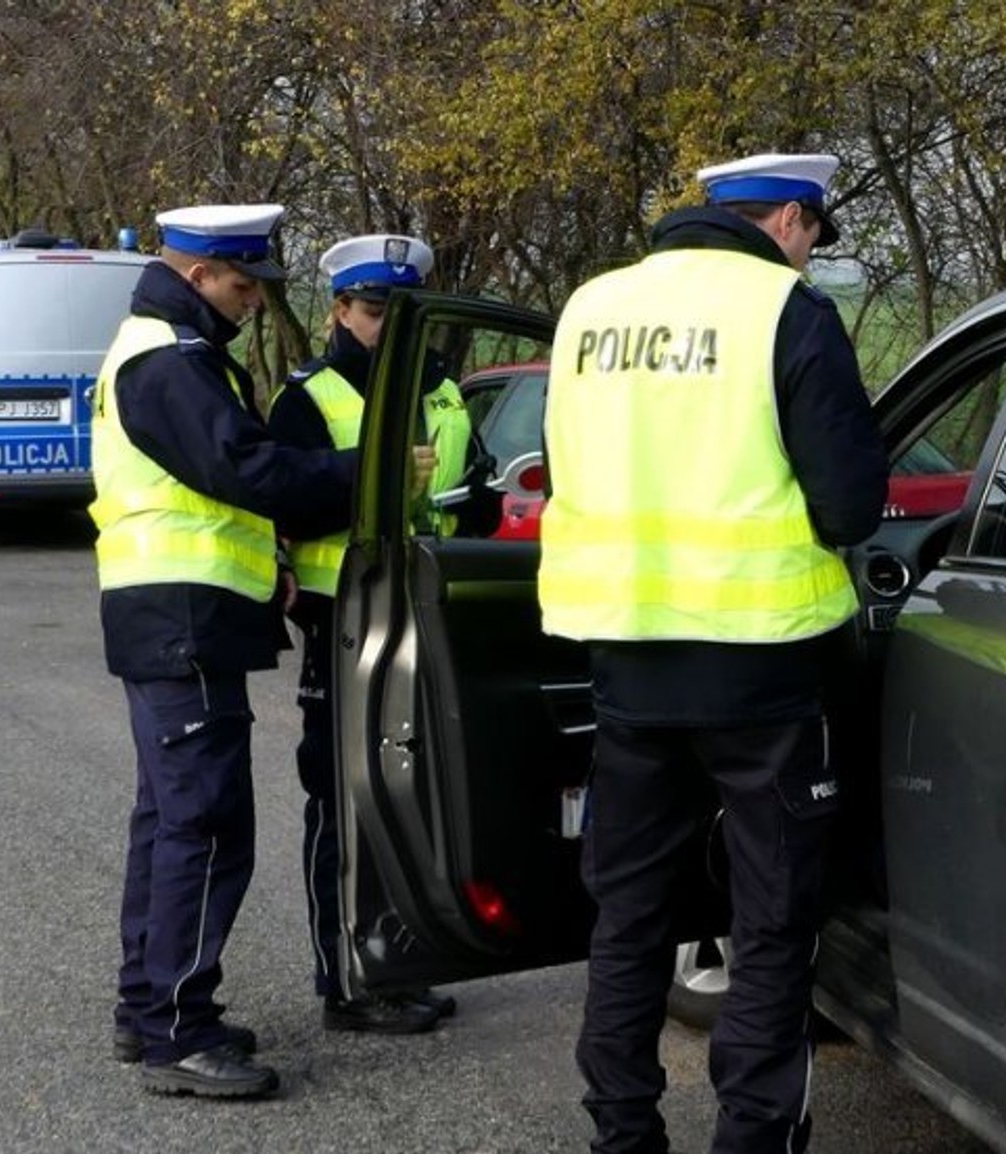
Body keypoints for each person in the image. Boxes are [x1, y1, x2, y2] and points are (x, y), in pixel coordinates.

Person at [538, 154, 887, 1153]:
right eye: (813, 236)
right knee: (772, 927)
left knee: (628, 919)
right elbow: (849, 504)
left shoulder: (591, 310)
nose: (809, 257)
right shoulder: (786, 312)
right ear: (786, 217)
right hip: (761, 667)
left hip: (627, 661)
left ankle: (620, 1136)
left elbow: (572, 468)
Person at [93, 203, 368, 1099]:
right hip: (182, 619)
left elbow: (222, 488)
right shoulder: (168, 360)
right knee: (205, 825)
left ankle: (151, 1010)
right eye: (243, 285)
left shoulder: (169, 349)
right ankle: (178, 1030)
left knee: (170, 820)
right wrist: (362, 474)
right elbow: (245, 467)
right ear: (197, 274)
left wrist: (273, 563)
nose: (252, 303)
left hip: (177, 616)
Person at [265, 232, 490, 1034]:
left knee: (416, 794)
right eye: (370, 310)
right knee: (340, 796)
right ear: (339, 311)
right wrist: (381, 474)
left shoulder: (446, 393)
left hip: (430, 611)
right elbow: (283, 505)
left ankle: (404, 957)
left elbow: (480, 499)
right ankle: (347, 979)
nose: (383, 324)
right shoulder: (310, 399)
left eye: (399, 311)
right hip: (344, 619)